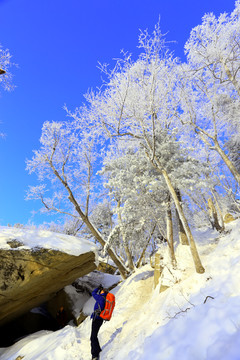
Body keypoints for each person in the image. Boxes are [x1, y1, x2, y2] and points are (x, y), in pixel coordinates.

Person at [90, 284, 108, 360]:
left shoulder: (101, 298)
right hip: (99, 319)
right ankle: (98, 350)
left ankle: (95, 355)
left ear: (102, 291)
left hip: (97, 319)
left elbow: (93, 293)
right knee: (94, 336)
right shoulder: (105, 298)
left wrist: (97, 288)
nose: (100, 292)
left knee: (93, 337)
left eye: (101, 291)